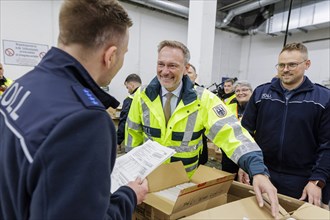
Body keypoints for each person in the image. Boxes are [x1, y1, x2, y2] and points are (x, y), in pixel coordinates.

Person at [0, 1, 148, 219]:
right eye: (124, 53)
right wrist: (129, 195)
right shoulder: (85, 120)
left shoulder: (24, 85)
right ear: (111, 55)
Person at [125, 40, 279, 217]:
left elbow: (231, 134)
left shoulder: (204, 100)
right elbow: (132, 136)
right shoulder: (142, 96)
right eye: (161, 64)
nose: (165, 71)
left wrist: (258, 170)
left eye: (172, 65)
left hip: (182, 188)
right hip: (147, 184)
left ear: (185, 68)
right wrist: (132, 173)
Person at [241, 42, 330, 208]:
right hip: (262, 172)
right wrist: (245, 164)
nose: (285, 69)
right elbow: (244, 133)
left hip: (302, 180)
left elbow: (328, 145)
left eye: (292, 65)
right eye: (281, 65)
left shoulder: (323, 99)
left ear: (307, 64)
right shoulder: (261, 94)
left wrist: (317, 181)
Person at [222, 81, 253, 180]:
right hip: (231, 151)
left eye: (244, 90)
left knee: (247, 180)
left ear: (251, 92)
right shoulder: (228, 107)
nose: (240, 93)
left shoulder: (257, 108)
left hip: (250, 149)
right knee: (228, 179)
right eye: (237, 91)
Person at [186, 64, 208, 165]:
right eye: (185, 72)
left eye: (190, 72)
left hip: (198, 141)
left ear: (195, 76)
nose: (186, 75)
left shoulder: (204, 95)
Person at [117, 73, 142, 153]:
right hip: (146, 144)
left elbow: (123, 122)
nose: (128, 91)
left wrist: (117, 141)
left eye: (127, 87)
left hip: (133, 144)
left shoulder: (130, 99)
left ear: (131, 85)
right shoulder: (148, 97)